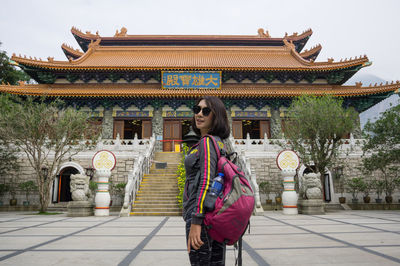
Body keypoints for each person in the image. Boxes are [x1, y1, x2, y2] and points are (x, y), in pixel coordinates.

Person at [183, 96, 230, 266]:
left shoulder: (207, 142)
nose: (199, 114)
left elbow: (206, 181)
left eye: (206, 111)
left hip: (201, 218)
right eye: (197, 110)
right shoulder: (220, 143)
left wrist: (196, 220)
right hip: (213, 217)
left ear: (216, 116)